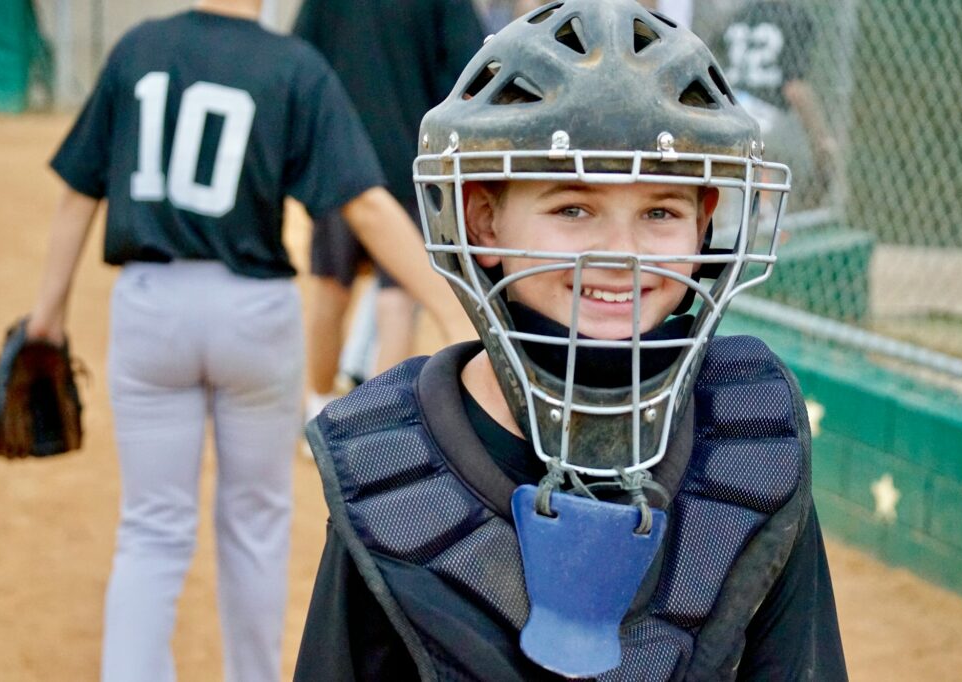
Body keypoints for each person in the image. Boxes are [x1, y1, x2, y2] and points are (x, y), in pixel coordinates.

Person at [294, 0, 847, 680]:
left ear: (706, 223)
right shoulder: (389, 468)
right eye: (573, 207)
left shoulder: (754, 445)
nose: (621, 253)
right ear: (483, 220)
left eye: (660, 211)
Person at [25, 0, 469, 680]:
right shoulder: (292, 66)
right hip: (250, 312)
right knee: (255, 527)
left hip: (150, 303)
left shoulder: (140, 49)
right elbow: (368, 206)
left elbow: (79, 192)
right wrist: (453, 311)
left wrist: (46, 318)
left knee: (151, 529)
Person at [291, 0, 485, 418]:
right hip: (413, 161)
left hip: (339, 161)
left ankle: (317, 411)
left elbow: (303, 57)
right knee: (397, 298)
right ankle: (380, 419)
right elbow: (471, 72)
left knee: (332, 290)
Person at [715, 0, 836, 211]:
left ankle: (752, 212)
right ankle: (781, 221)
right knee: (814, 158)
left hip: (727, 112)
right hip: (766, 118)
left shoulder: (740, 15)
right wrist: (822, 138)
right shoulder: (796, 17)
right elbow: (794, 89)